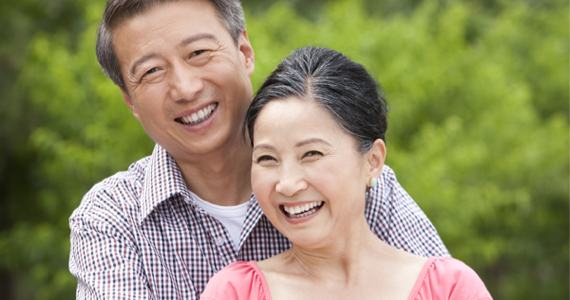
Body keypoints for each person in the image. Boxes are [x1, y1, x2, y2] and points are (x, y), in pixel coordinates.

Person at [68, 1, 450, 299]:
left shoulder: (355, 182)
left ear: (245, 51)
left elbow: (437, 285)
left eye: (198, 52)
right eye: (151, 71)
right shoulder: (111, 218)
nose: (184, 88)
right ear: (129, 101)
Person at [200, 46, 492, 300]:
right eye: (266, 158)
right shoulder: (234, 292)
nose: (287, 184)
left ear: (373, 161)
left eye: (311, 154)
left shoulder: (450, 289)